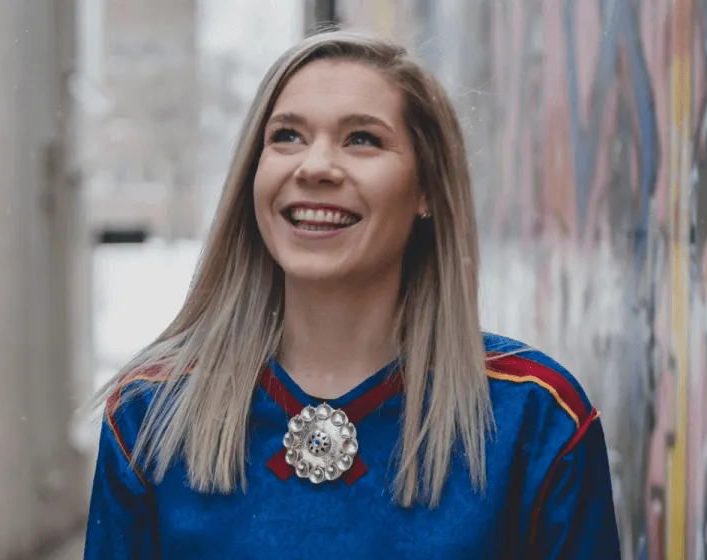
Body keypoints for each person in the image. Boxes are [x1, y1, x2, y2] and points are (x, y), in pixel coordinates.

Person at [83, 30, 620, 559]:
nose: (314, 166)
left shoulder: (537, 420)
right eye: (287, 136)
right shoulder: (148, 416)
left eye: (362, 138)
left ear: (427, 187)